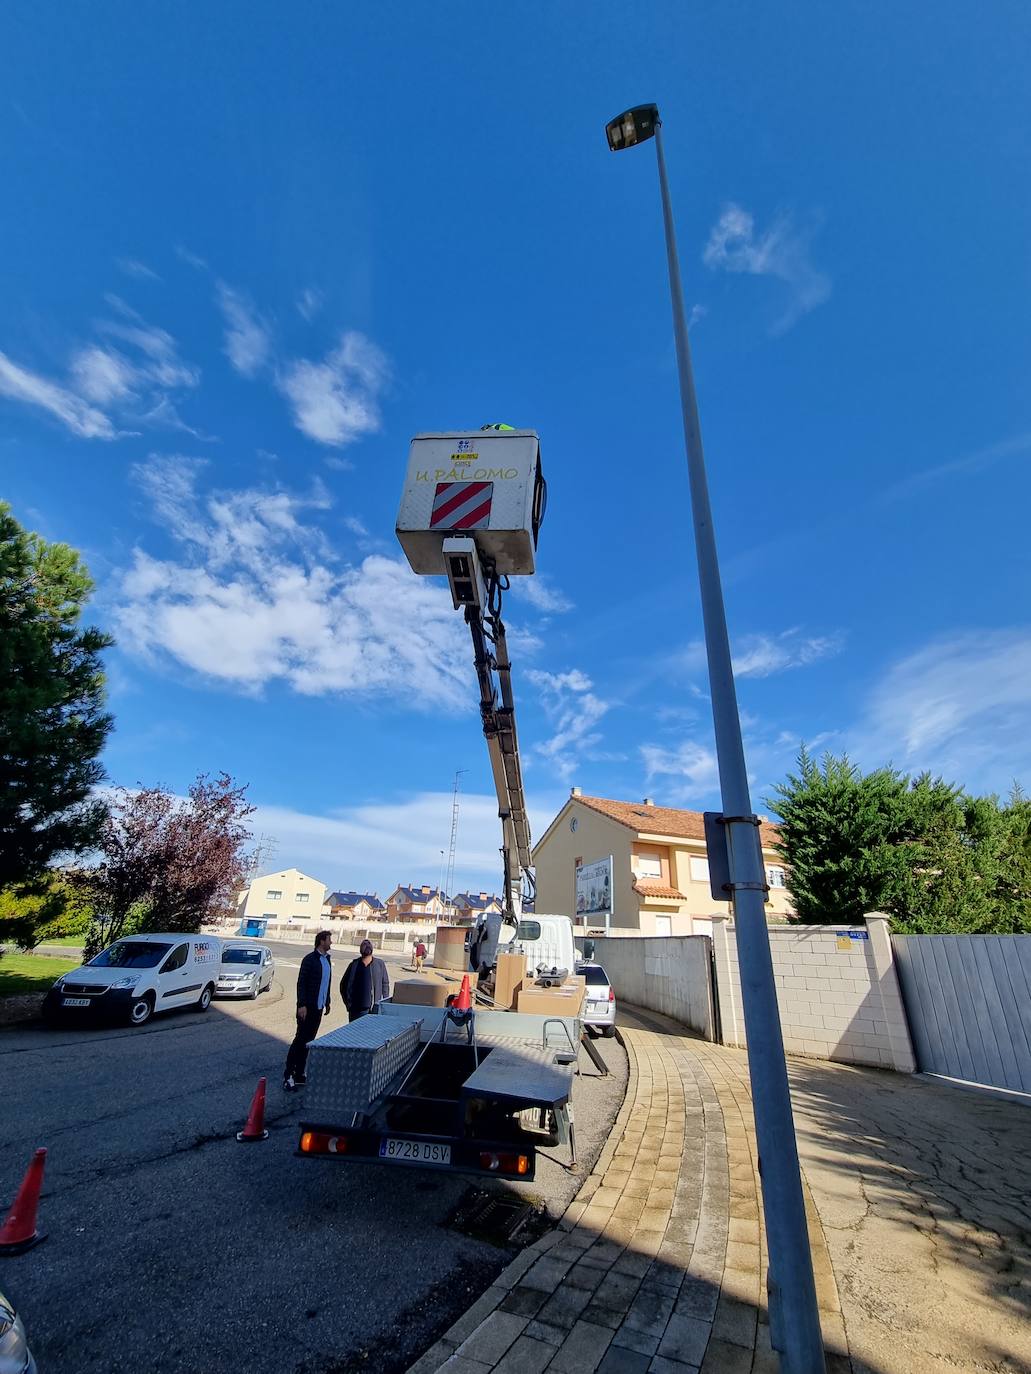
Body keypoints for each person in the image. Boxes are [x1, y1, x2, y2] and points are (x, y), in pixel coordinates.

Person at [283, 930, 333, 1091]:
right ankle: (288, 1075)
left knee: (308, 1042)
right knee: (299, 1040)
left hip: (318, 1007)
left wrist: (327, 1001)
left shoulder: (327, 960)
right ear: (321, 941)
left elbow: (327, 983)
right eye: (329, 940)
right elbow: (301, 982)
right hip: (308, 1007)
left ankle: (299, 1073)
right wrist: (301, 1004)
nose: (331, 943)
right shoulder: (310, 960)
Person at [340, 939, 390, 1021]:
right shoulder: (354, 965)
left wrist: (385, 1004)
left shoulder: (379, 964)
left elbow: (385, 984)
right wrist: (348, 1005)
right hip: (356, 1011)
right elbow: (344, 986)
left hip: (374, 1010)